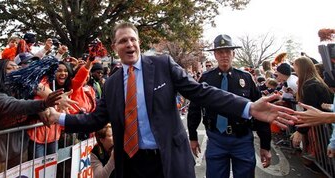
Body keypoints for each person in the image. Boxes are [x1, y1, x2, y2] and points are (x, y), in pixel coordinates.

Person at [46, 22, 296, 178]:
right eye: (123, 41)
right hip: (132, 165)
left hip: (168, 161)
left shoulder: (162, 65)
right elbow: (95, 119)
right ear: (115, 47)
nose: (130, 44)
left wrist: (249, 107)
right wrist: (59, 118)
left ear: (139, 43)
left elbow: (201, 92)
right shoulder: (111, 84)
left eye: (133, 39)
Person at [187, 34, 271, 178]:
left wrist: (265, 145)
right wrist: (193, 137)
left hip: (242, 140)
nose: (224, 55)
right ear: (215, 55)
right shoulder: (206, 79)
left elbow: (260, 111)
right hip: (216, 139)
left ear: (233, 53)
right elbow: (194, 109)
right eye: (220, 52)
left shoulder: (246, 78)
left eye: (228, 51)